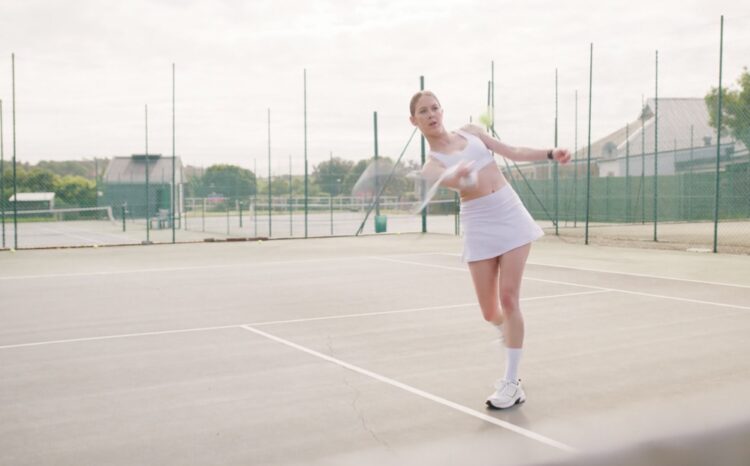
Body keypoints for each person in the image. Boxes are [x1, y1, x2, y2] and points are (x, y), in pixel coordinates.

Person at [409, 90, 570, 409]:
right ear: (414, 121)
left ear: (443, 110)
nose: (432, 115)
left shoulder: (472, 131)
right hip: (479, 223)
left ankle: (511, 383)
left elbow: (512, 151)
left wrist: (551, 153)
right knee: (489, 311)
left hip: (509, 212)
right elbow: (459, 183)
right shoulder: (431, 167)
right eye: (424, 112)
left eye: (435, 108)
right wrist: (460, 177)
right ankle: (507, 333)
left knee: (509, 298)